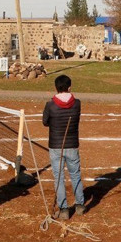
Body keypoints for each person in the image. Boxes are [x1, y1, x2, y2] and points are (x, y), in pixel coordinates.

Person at [42, 74, 84, 220]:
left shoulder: (50, 105)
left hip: (56, 146)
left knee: (58, 177)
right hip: (72, 145)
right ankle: (80, 206)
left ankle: (64, 209)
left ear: (56, 87)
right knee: (75, 175)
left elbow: (45, 122)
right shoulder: (77, 103)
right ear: (69, 87)